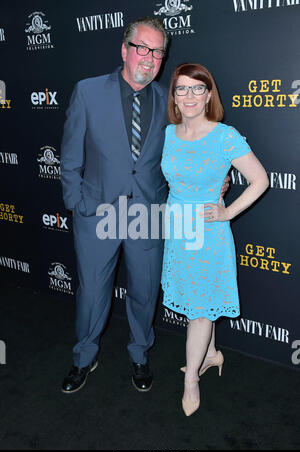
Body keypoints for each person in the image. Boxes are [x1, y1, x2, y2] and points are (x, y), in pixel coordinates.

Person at [60, 18, 229, 395]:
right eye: (142, 48)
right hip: (97, 213)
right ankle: (83, 357)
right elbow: (70, 154)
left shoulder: (170, 100)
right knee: (91, 295)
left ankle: (140, 354)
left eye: (157, 52)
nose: (149, 58)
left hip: (148, 216)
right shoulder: (88, 92)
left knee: (144, 292)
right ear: (125, 50)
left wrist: (219, 178)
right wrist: (76, 202)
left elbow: (196, 147)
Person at [160, 63, 269, 416]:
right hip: (178, 229)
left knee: (202, 308)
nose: (189, 96)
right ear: (173, 96)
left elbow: (260, 180)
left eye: (197, 89)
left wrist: (226, 212)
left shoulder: (225, 136)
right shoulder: (168, 133)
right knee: (198, 301)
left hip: (208, 234)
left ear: (209, 95)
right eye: (181, 89)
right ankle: (210, 355)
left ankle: (191, 379)